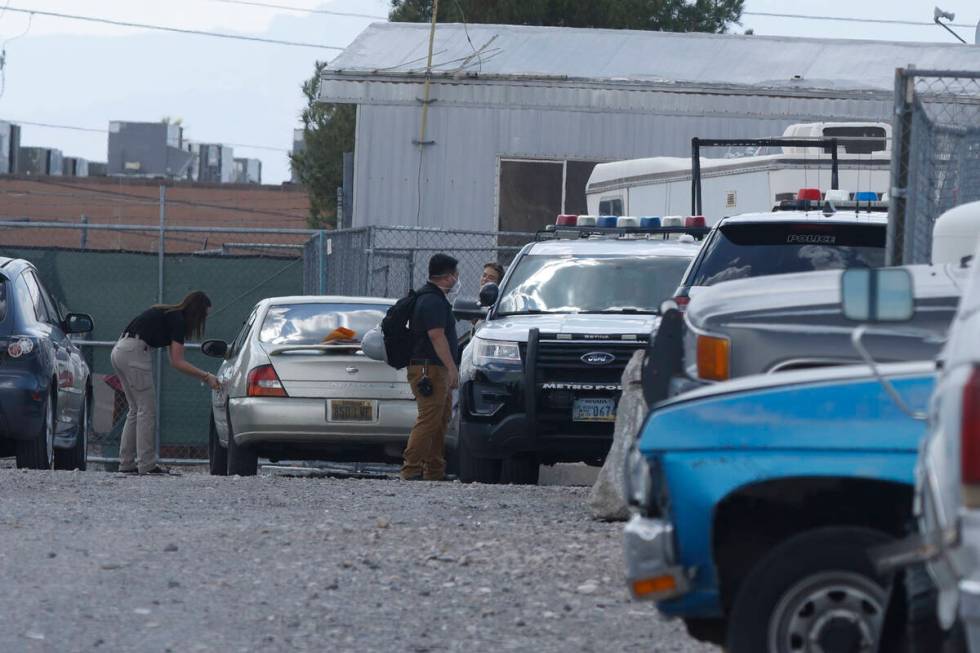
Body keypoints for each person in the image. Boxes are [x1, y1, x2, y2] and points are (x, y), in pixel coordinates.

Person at [111, 291, 221, 475]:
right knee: (147, 410)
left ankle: (126, 463)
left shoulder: (169, 313)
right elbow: (177, 361)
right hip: (135, 352)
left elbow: (174, 360)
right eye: (204, 316)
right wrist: (206, 376)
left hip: (120, 350)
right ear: (197, 312)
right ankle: (147, 465)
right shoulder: (177, 320)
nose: (204, 321)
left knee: (135, 410)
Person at [401, 254, 461, 481]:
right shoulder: (431, 301)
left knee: (440, 418)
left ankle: (434, 470)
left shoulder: (434, 298)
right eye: (455, 275)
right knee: (429, 419)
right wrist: (451, 368)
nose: (457, 279)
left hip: (436, 369)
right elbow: (437, 336)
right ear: (447, 277)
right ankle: (411, 469)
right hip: (429, 371)